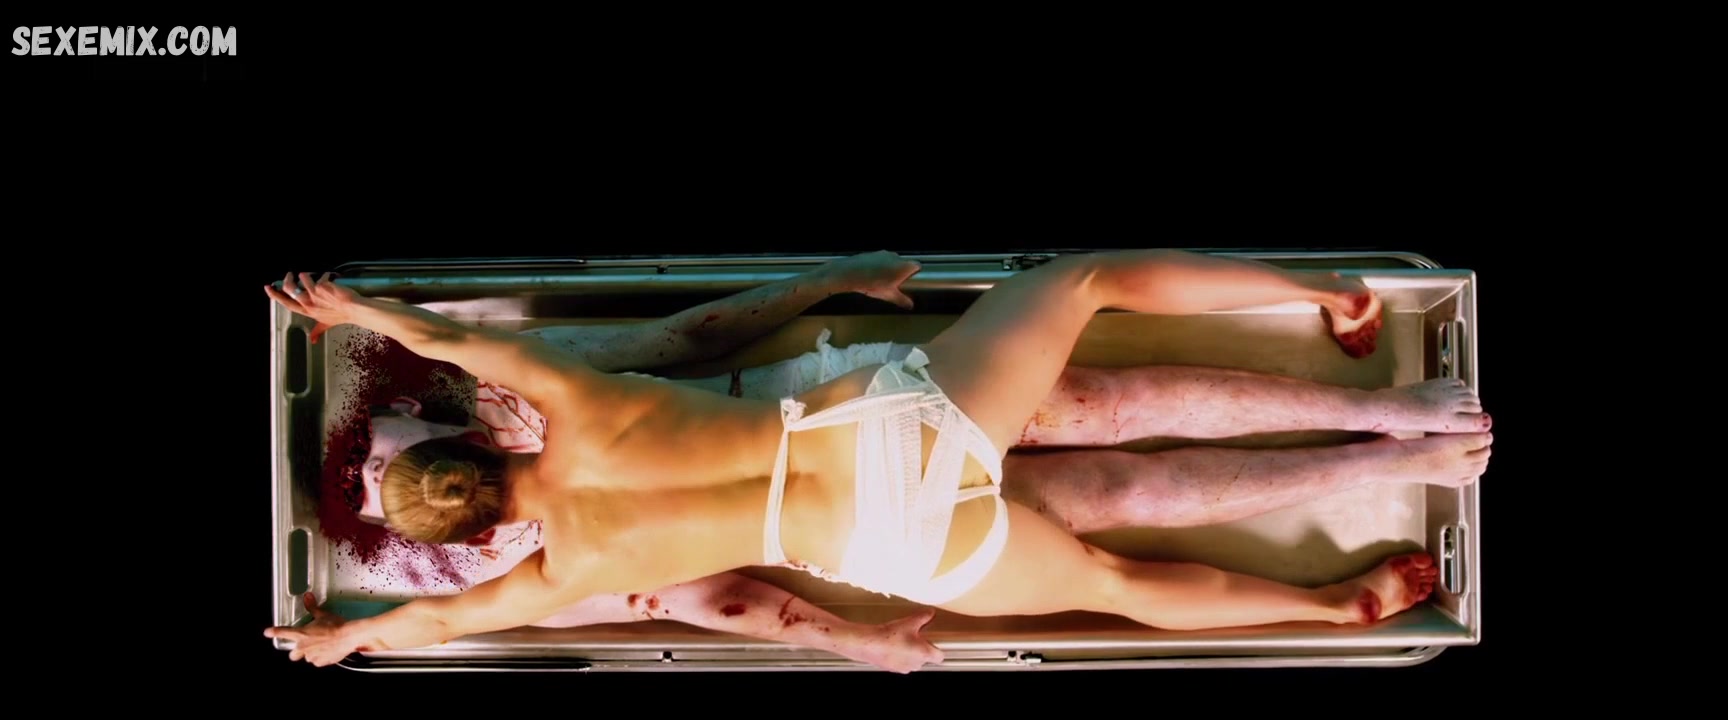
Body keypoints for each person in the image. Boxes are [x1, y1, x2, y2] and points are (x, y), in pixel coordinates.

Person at [265, 249, 1483, 669]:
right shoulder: (567, 400)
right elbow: (446, 337)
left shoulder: (557, 571)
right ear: (469, 441)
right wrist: (356, 311)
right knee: (1084, 284)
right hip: (875, 429)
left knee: (1120, 582)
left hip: (886, 543)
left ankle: (1334, 608)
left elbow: (438, 624)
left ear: (480, 530)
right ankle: (1336, 304)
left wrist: (341, 641)